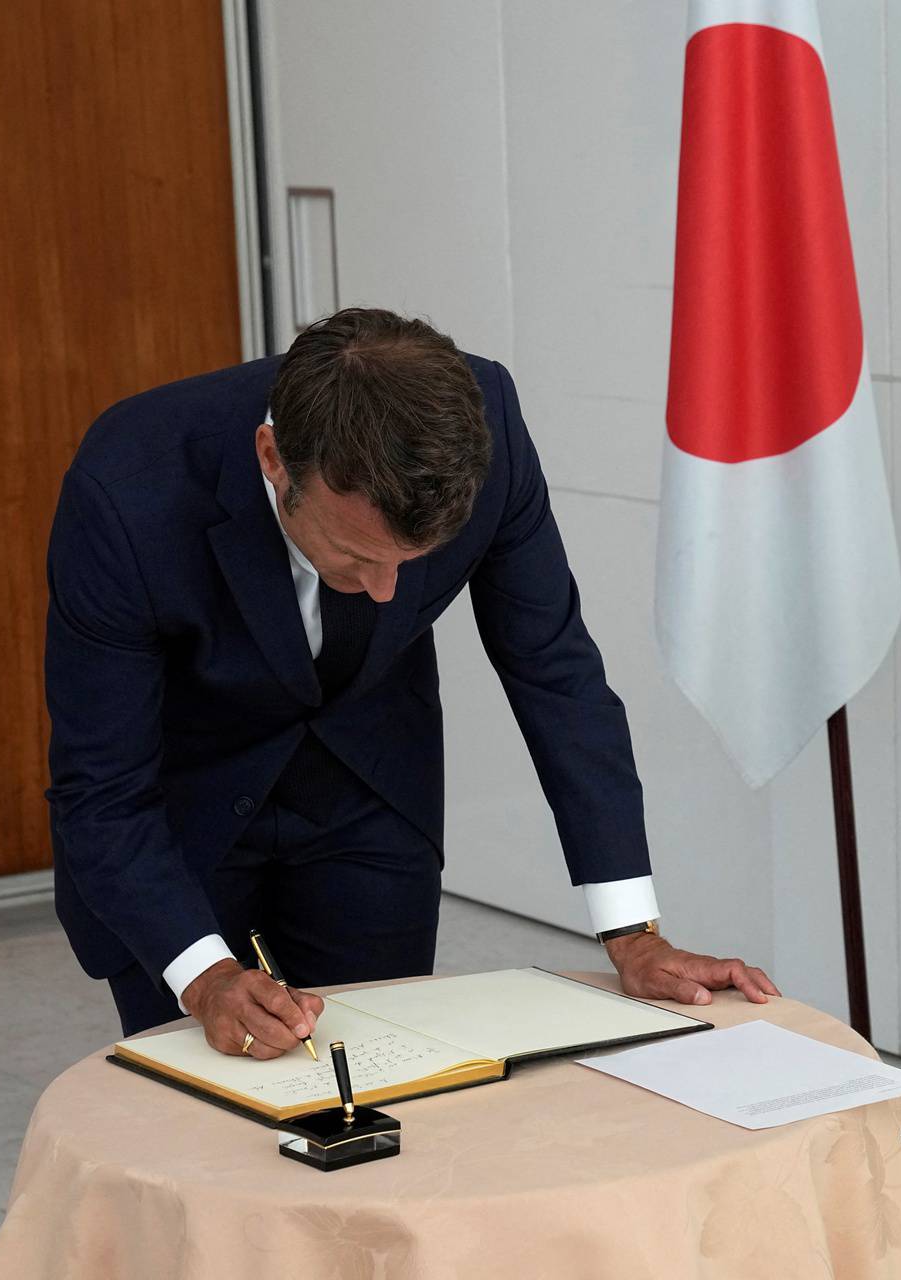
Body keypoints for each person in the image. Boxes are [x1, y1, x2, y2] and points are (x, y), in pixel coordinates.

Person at [45, 308, 777, 1057]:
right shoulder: (129, 486)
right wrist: (205, 976)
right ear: (274, 459)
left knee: (382, 1087)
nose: (389, 592)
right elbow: (99, 787)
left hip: (369, 792)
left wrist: (633, 933)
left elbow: (555, 672)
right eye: (355, 557)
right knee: (204, 1114)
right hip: (177, 820)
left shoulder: (483, 426)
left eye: (413, 558)